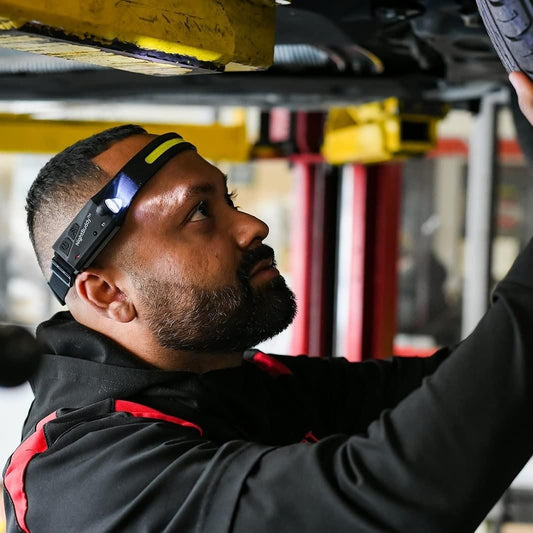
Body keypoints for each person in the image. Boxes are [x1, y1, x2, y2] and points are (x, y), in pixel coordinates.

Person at [3, 75, 533, 533]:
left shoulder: (236, 381)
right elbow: (396, 500)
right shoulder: (86, 477)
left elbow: (482, 384)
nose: (253, 225)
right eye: (199, 213)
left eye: (228, 200)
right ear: (108, 293)